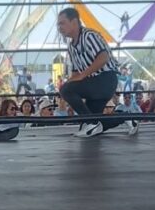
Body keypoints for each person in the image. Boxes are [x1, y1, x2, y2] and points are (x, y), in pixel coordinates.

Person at [58, 7, 136, 137]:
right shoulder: (71, 47)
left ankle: (93, 123)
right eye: (58, 24)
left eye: (62, 23)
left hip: (105, 80)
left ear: (74, 22)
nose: (59, 27)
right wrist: (68, 91)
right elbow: (75, 74)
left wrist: (69, 87)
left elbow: (103, 57)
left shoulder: (89, 36)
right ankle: (125, 117)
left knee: (89, 120)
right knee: (90, 122)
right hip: (94, 83)